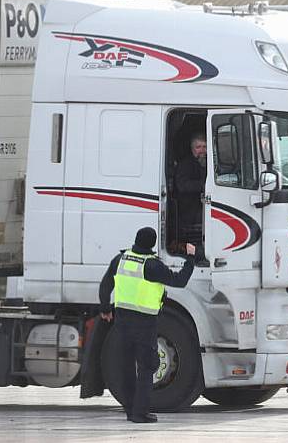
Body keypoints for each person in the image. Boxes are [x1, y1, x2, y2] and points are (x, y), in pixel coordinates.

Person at [98, 227, 196, 423]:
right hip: (144, 323)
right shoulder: (152, 266)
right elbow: (179, 281)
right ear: (153, 243)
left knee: (125, 366)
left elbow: (106, 284)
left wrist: (105, 308)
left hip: (122, 321)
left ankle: (129, 409)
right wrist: (191, 259)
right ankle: (139, 413)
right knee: (147, 367)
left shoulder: (121, 260)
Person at [174, 133, 207, 242]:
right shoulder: (185, 164)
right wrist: (203, 186)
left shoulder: (209, 163)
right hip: (188, 210)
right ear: (192, 149)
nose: (202, 150)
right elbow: (182, 185)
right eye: (198, 147)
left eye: (204, 147)